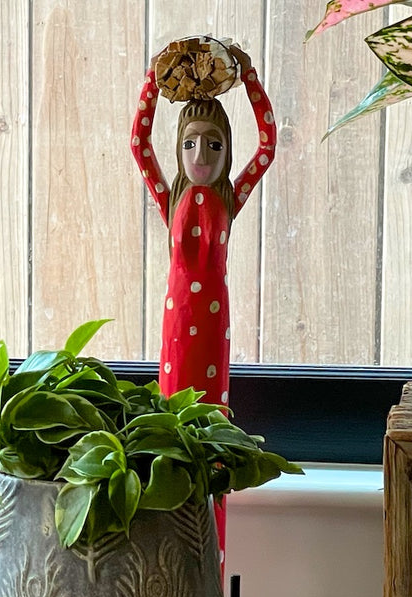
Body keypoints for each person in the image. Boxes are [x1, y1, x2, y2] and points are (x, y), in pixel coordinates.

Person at [131, 43, 276, 561]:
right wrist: (153, 82)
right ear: (179, 150)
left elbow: (267, 147)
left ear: (224, 152)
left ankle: (210, 560)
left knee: (210, 430)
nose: (200, 157)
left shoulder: (227, 200)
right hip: (175, 330)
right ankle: (175, 553)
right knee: (173, 427)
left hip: (213, 332)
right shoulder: (169, 196)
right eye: (191, 145)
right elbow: (138, 144)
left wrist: (250, 80)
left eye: (212, 146)